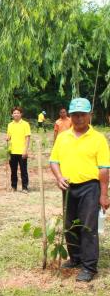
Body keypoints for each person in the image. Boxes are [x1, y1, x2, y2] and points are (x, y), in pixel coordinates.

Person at [49, 98, 109, 282]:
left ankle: (89, 267)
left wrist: (104, 195)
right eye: (75, 115)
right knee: (69, 225)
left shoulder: (98, 139)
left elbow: (104, 169)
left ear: (90, 115)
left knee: (88, 227)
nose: (79, 118)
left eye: (83, 114)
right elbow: (54, 161)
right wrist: (59, 178)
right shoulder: (63, 137)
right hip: (68, 188)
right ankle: (75, 258)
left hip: (90, 188)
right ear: (70, 115)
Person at [6, 106, 31, 193]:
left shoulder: (25, 124)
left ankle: (25, 187)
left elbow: (27, 138)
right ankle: (14, 186)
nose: (16, 114)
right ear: (12, 114)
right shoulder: (10, 125)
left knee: (23, 170)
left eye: (17, 113)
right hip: (12, 151)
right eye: (14, 113)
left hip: (22, 151)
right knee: (13, 170)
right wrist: (7, 138)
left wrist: (25, 150)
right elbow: (9, 136)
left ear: (21, 114)